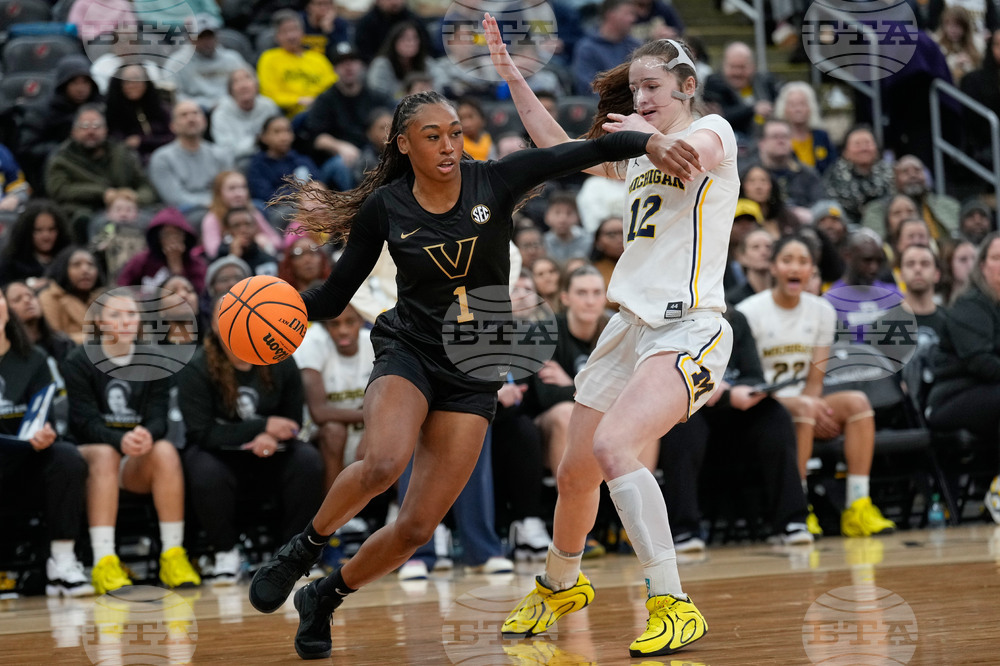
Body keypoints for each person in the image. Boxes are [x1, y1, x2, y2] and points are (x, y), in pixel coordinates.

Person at [244, 87, 679, 660]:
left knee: (417, 528)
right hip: (410, 349)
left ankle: (325, 596)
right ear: (404, 145)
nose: (449, 145)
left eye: (455, 133)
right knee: (382, 462)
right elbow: (333, 295)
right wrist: (279, 308)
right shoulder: (386, 207)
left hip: (474, 366)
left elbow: (579, 152)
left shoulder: (494, 181)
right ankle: (304, 548)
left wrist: (650, 140)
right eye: (433, 136)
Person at [487, 20, 739, 657]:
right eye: (634, 89)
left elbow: (689, 158)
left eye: (652, 87)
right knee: (575, 473)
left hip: (691, 327)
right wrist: (516, 77)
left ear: (686, 86)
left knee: (614, 445)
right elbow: (556, 147)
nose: (642, 97)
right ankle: (560, 583)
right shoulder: (636, 148)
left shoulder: (713, 133)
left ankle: (672, 602)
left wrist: (640, 134)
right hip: (628, 326)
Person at [736, 235, 896, 538]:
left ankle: (858, 505)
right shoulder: (749, 310)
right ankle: (798, 508)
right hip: (763, 404)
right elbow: (748, 377)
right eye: (787, 261)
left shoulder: (822, 310)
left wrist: (816, 408)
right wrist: (809, 407)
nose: (795, 268)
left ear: (812, 270)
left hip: (806, 401)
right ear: (773, 267)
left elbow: (815, 380)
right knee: (807, 407)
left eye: (803, 262)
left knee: (858, 402)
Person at [63, 289, 201, 594]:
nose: (125, 322)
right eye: (115, 314)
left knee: (164, 450)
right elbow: (83, 422)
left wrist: (147, 435)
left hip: (134, 458)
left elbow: (158, 417)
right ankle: (104, 562)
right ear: (99, 321)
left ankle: (173, 555)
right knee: (104, 455)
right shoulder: (79, 360)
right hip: (91, 458)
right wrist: (119, 439)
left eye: (131, 314)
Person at [178, 298, 323, 584]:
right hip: (222, 458)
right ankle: (225, 554)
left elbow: (292, 422)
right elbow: (201, 432)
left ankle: (293, 553)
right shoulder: (197, 367)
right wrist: (263, 426)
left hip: (272, 454)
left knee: (308, 460)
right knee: (202, 468)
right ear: (214, 324)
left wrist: (270, 435)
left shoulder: (280, 358)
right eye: (225, 316)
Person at [0, 290, 90, 597]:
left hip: (23, 464)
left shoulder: (33, 359)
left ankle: (62, 561)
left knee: (67, 458)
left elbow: (43, 416)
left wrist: (44, 434)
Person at [926, 232, 1000, 524]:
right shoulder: (968, 305)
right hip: (951, 397)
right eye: (997, 258)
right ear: (982, 266)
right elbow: (981, 362)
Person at [294, 303, 374, 491]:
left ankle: (399, 509)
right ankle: (336, 515)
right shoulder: (313, 345)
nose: (343, 331)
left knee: (400, 431)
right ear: (326, 327)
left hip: (365, 427)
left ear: (362, 321)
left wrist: (373, 431)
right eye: (335, 324)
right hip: (321, 435)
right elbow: (319, 413)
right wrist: (372, 419)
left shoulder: (373, 343)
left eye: (350, 322)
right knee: (334, 431)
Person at [44, 105, 158, 232]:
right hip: (87, 211)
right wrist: (103, 194)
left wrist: (133, 197)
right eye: (85, 126)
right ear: (74, 132)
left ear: (105, 130)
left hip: (129, 210)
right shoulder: (62, 159)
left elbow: (145, 185)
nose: (91, 131)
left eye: (97, 126)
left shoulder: (122, 153)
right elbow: (59, 190)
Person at [300, 49, 395, 193]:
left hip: (375, 154)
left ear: (362, 65)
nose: (348, 67)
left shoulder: (377, 96)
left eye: (352, 61)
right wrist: (340, 147)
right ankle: (355, 207)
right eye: (342, 63)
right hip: (339, 160)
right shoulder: (325, 100)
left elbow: (395, 123)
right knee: (342, 164)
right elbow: (316, 138)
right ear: (334, 69)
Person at [149, 101, 233, 211]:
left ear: (204, 122)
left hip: (221, 207)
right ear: (173, 126)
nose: (191, 119)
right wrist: (210, 204)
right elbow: (174, 198)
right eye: (183, 115)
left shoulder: (220, 154)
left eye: (195, 113)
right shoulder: (161, 158)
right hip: (185, 212)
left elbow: (229, 187)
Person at [257, 10, 337, 118]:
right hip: (288, 116)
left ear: (303, 32)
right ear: (276, 37)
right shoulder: (269, 58)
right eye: (284, 32)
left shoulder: (318, 58)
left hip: (322, 111)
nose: (291, 36)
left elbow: (333, 87)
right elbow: (269, 95)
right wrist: (298, 100)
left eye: (294, 30)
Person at [116, 207, 208, 292]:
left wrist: (177, 268)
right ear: (158, 238)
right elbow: (122, 285)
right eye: (167, 234)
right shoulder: (142, 260)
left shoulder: (195, 263)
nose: (173, 239)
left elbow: (200, 293)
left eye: (177, 234)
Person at [200, 171, 281, 259]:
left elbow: (277, 242)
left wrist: (261, 242)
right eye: (232, 188)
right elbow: (213, 251)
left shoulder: (253, 212)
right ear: (219, 193)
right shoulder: (212, 218)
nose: (239, 193)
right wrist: (232, 245)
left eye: (243, 187)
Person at [105, 64, 174, 165]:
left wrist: (142, 141)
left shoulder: (161, 108)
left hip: (167, 157)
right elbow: (118, 143)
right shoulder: (112, 112)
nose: (133, 85)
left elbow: (173, 137)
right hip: (131, 163)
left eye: (137, 79)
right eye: (127, 81)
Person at [211, 68, 283, 165]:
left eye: (248, 79)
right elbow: (226, 152)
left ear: (256, 85)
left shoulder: (268, 106)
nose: (243, 85)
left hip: (269, 161)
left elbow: (279, 138)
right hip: (237, 165)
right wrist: (255, 141)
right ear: (230, 90)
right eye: (236, 81)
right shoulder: (221, 113)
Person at [571, 0, 641, 96]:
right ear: (611, 15)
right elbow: (586, 87)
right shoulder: (587, 48)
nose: (632, 19)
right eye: (628, 14)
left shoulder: (635, 46)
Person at [174, 23, 250, 111]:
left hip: (232, 107)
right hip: (196, 110)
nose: (207, 41)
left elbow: (250, 83)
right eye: (201, 37)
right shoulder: (177, 62)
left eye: (210, 36)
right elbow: (174, 94)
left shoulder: (232, 58)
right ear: (191, 39)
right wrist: (202, 105)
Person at [246, 115, 320, 204]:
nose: (284, 137)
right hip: (278, 210)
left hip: (308, 205)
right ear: (264, 137)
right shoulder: (258, 165)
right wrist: (300, 195)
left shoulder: (301, 160)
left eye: (288, 131)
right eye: (277, 132)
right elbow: (266, 196)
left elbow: (318, 184)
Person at [0, 200, 73, 289]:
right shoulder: (11, 262)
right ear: (27, 232)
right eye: (39, 230)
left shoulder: (70, 260)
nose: (46, 236)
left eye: (51, 229)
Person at [39, 246, 104, 344]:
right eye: (76, 265)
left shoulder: (104, 298)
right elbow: (55, 339)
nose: (85, 270)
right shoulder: (50, 297)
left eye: (91, 264)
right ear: (64, 268)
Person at [366, 21, 445, 100]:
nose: (411, 43)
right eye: (405, 39)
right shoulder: (381, 65)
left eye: (415, 38)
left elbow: (439, 85)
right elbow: (377, 93)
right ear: (394, 42)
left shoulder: (427, 62)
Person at [773, 81, 837, 175]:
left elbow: (833, 166)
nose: (798, 109)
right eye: (792, 105)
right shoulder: (778, 138)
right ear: (784, 109)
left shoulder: (822, 136)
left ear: (810, 108)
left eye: (802, 104)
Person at [899, 244, 947, 342]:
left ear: (937, 274)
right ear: (901, 275)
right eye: (910, 264)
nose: (918, 269)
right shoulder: (883, 326)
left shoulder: (950, 323)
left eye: (925, 264)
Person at [213, 208, 279, 276]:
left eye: (247, 224)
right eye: (236, 225)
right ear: (227, 230)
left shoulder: (265, 257)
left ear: (255, 227)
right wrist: (233, 256)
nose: (243, 230)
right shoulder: (220, 256)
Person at [543, 191, 590, 263]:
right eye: (557, 212)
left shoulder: (589, 240)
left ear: (578, 216)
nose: (563, 219)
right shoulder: (542, 242)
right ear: (547, 216)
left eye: (569, 213)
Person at [940, 238, 978, 305]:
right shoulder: (936, 301)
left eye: (974, 258)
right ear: (948, 264)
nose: (971, 265)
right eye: (963, 259)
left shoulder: (986, 299)